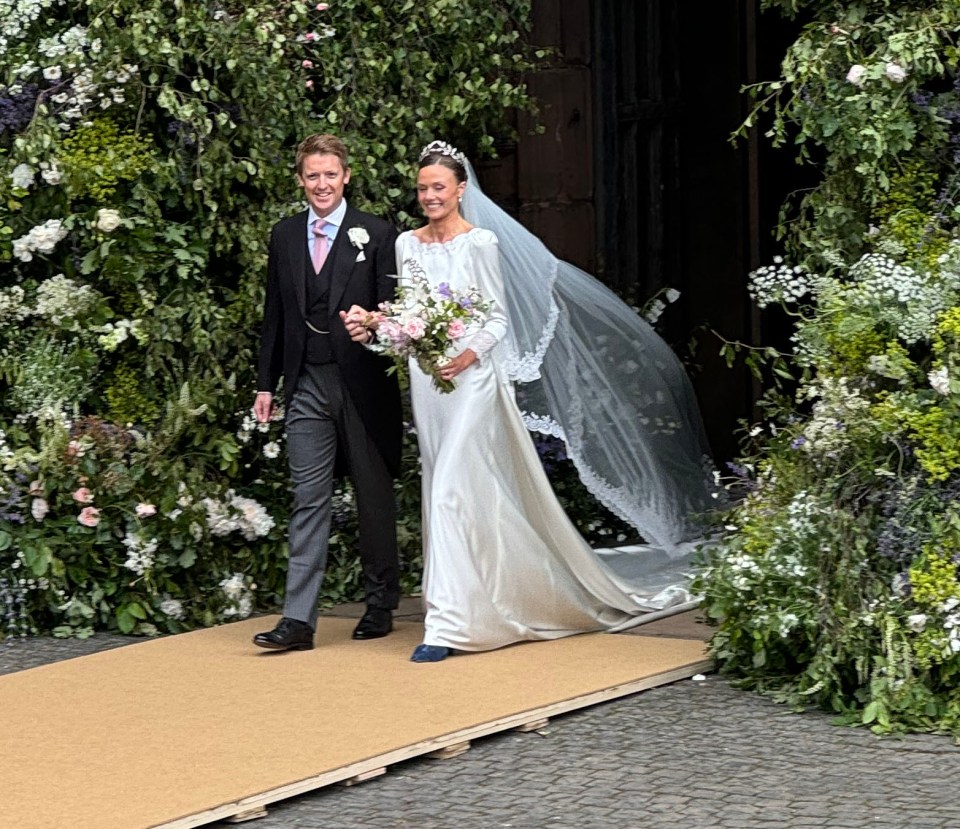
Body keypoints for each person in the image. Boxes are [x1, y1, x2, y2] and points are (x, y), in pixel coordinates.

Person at [343, 140, 718, 663]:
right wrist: (376, 327)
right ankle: (477, 597)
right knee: (447, 490)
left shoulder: (481, 243)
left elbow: (497, 319)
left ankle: (446, 625)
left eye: (438, 187)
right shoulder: (407, 244)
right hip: (429, 381)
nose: (429, 196)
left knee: (450, 485)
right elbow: (409, 313)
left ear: (460, 189)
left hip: (472, 380)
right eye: (423, 188)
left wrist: (468, 355)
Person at [252, 133, 402, 652]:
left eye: (330, 175)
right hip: (306, 383)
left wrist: (374, 323)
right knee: (307, 498)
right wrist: (265, 384)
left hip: (362, 383)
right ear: (301, 179)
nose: (322, 184)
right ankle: (298, 621)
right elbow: (275, 313)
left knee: (372, 497)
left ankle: (381, 603)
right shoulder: (285, 235)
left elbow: (396, 313)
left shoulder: (377, 233)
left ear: (346, 177)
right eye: (312, 175)